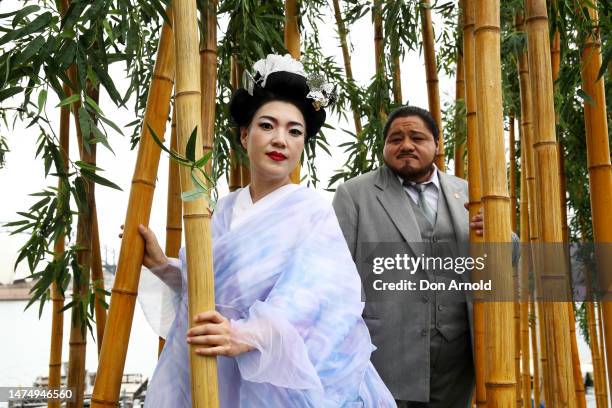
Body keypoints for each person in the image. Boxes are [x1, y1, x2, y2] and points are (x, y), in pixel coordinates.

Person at [137, 54, 395, 407]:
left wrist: (247, 334)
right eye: (267, 126)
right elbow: (211, 290)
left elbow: (315, 300)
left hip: (279, 380)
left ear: (303, 144)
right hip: (218, 367)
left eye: (294, 131)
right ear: (245, 135)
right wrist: (162, 267)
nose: (280, 140)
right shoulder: (223, 209)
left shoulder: (313, 212)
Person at [332, 106, 488, 407]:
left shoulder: (469, 192)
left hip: (457, 360)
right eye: (395, 139)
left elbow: (507, 259)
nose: (406, 145)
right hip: (385, 353)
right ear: (384, 147)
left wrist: (497, 234)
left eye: (417, 137)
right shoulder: (354, 194)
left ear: (437, 145)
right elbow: (336, 274)